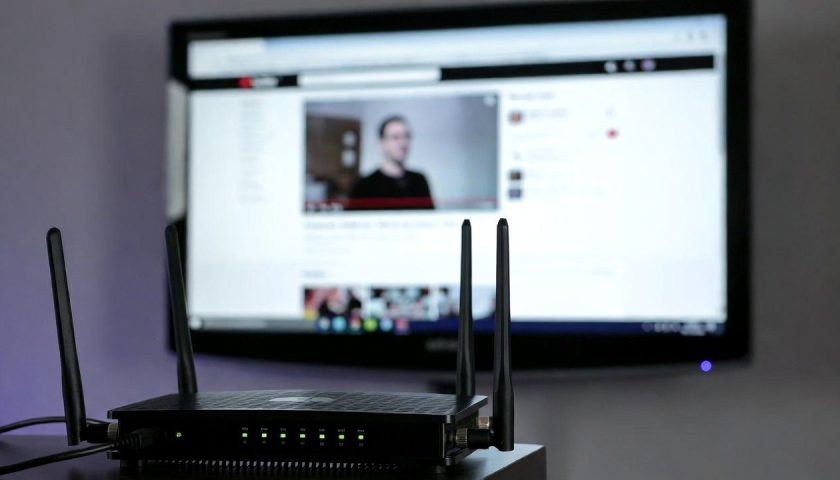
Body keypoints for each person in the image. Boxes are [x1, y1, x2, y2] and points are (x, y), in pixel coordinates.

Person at [348, 115, 434, 210]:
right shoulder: (364, 186)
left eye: (406, 136)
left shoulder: (419, 181)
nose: (403, 143)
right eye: (395, 137)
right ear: (382, 143)